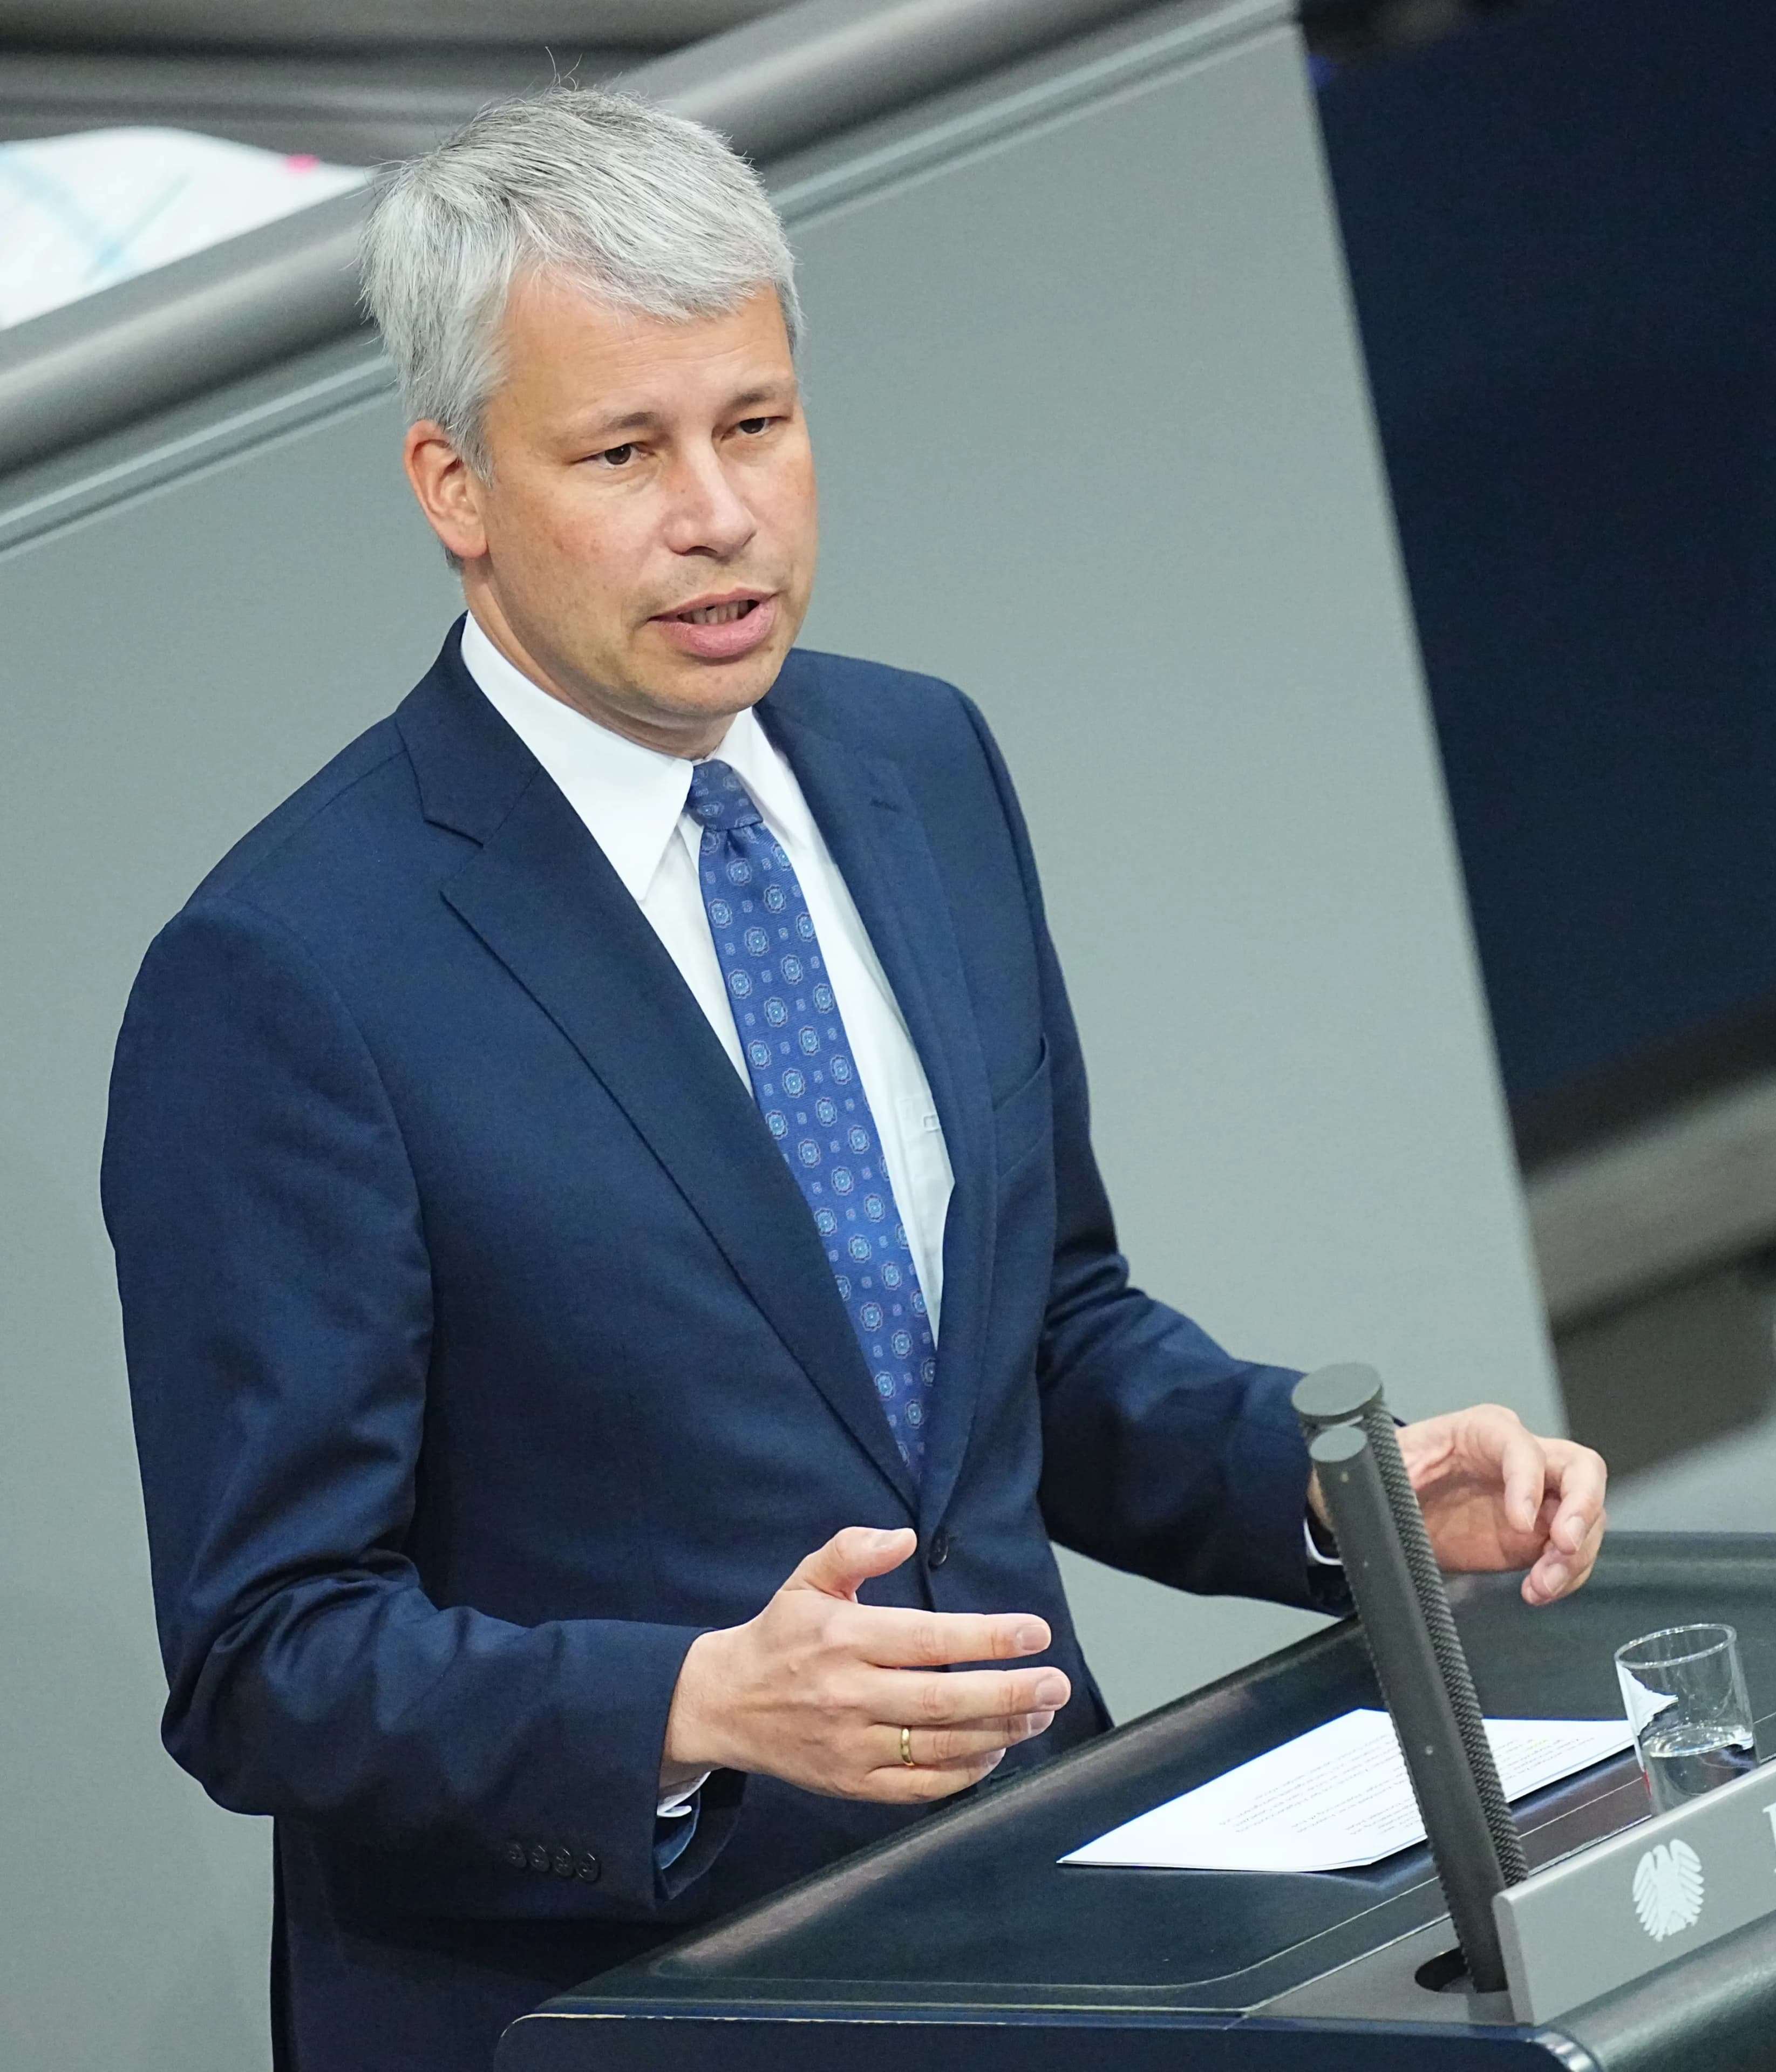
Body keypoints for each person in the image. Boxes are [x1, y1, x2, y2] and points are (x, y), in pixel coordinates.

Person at [101, 89, 1607, 2072]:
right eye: (624, 452)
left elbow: (1041, 1348)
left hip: (1043, 1922)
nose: (719, 512)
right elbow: (265, 1654)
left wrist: (1343, 1499)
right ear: (453, 485)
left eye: (756, 424)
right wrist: (693, 1707)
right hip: (617, 2008)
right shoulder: (291, 976)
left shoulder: (921, 765)